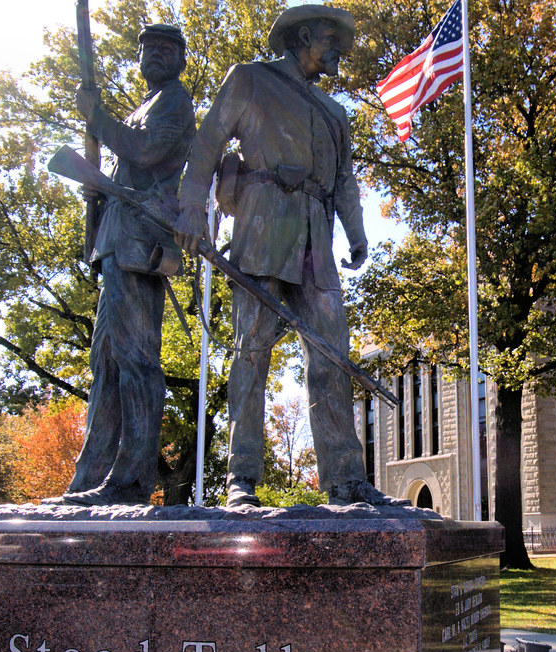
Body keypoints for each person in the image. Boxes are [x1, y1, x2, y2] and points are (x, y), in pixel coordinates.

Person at [174, 5, 405, 507]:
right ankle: (241, 477)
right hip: (262, 226)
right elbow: (207, 143)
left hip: (316, 241)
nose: (340, 53)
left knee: (332, 355)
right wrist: (190, 209)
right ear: (303, 36)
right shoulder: (250, 79)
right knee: (251, 352)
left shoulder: (336, 113)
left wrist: (357, 232)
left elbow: (344, 179)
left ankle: (346, 480)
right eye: (331, 42)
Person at [50, 24, 196, 506]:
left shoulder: (174, 101)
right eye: (147, 49)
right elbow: (126, 163)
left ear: (180, 59)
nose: (154, 55)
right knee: (105, 365)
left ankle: (131, 479)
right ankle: (90, 478)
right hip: (116, 242)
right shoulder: (142, 107)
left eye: (166, 49)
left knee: (136, 362)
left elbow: (147, 151)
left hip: (139, 242)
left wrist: (96, 118)